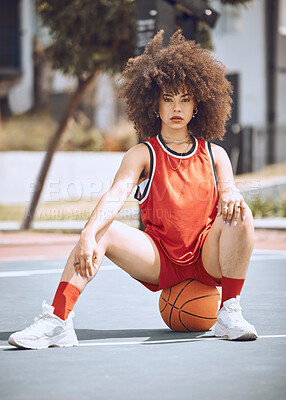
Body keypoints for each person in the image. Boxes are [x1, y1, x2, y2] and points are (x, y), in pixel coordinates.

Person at [8, 30, 257, 349]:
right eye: (168, 98)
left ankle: (230, 311)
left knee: (241, 212)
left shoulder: (215, 155)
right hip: (158, 258)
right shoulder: (143, 154)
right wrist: (88, 233)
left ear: (198, 105)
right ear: (155, 106)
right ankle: (58, 320)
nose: (176, 107)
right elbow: (116, 194)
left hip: (207, 258)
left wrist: (233, 193)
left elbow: (228, 192)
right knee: (102, 231)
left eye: (184, 98)